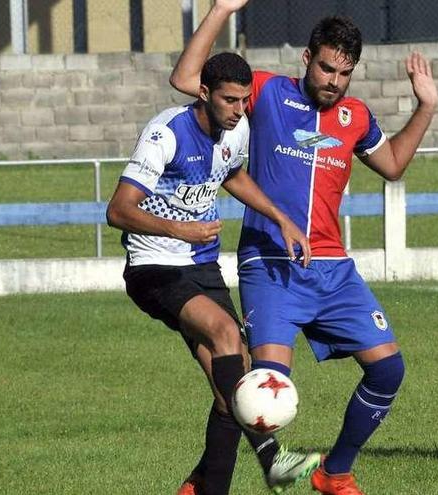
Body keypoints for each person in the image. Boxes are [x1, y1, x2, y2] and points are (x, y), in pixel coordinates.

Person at [169, 1, 438, 493]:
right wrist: (220, 11)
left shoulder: (356, 116)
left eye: (345, 73)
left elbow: (394, 164)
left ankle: (334, 473)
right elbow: (187, 77)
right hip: (271, 266)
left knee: (389, 370)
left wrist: (425, 107)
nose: (335, 80)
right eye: (327, 67)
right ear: (307, 58)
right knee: (260, 390)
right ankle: (206, 478)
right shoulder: (268, 92)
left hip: (333, 270)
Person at [106, 51, 320, 495]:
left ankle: (202, 487)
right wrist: (178, 228)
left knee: (231, 392)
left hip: (201, 267)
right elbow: (118, 210)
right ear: (203, 93)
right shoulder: (166, 133)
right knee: (225, 332)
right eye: (229, 100)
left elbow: (232, 175)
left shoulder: (235, 129)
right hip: (154, 267)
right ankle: (272, 457)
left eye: (244, 100)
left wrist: (280, 219)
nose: (240, 110)